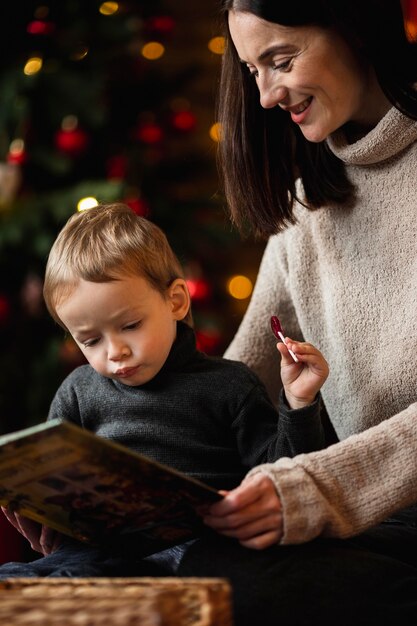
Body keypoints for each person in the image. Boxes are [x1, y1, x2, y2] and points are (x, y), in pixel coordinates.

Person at [172, 1, 417, 624]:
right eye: (253, 69)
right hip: (369, 528)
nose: (265, 96)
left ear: (354, 26)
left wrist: (319, 488)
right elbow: (237, 382)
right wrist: (120, 486)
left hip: (384, 522)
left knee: (225, 597)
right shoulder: (310, 200)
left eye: (281, 61)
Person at [0, 202, 329, 577]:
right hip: (99, 553)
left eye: (130, 325)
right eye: (90, 341)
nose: (115, 351)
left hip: (207, 549)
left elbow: (285, 476)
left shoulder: (230, 386)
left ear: (175, 301)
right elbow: (54, 485)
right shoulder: (77, 392)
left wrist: (299, 403)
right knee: (20, 579)